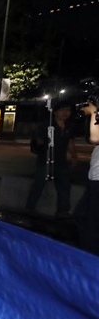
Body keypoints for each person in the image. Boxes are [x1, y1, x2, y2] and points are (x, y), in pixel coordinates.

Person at [26, 101, 78, 218]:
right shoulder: (46, 125)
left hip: (61, 161)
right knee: (39, 185)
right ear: (55, 112)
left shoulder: (69, 126)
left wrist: (74, 155)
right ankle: (29, 208)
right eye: (61, 110)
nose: (65, 113)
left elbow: (70, 141)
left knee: (64, 186)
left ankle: (62, 211)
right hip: (45, 160)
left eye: (68, 110)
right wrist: (40, 142)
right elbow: (37, 141)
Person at [74, 101, 99, 255]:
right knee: (81, 215)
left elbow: (95, 138)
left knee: (92, 223)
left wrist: (94, 111)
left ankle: (91, 258)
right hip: (94, 179)